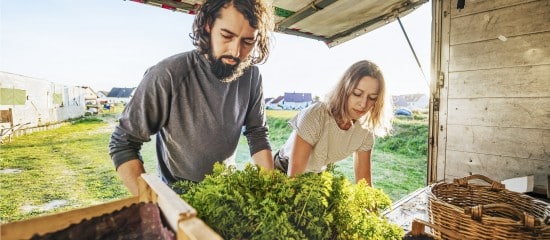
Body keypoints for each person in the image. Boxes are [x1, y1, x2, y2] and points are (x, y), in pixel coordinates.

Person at [109, 0, 274, 196]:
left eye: (248, 41)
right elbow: (124, 143)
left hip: (227, 191)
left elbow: (257, 134)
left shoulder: (252, 76)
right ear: (208, 25)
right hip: (180, 195)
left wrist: (272, 189)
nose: (236, 51)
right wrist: (154, 205)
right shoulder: (168, 74)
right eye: (227, 36)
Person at [273, 60, 392, 186]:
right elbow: (294, 178)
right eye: (357, 94)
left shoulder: (365, 130)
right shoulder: (315, 116)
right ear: (344, 90)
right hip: (283, 171)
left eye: (372, 97)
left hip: (315, 175)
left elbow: (364, 184)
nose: (363, 104)